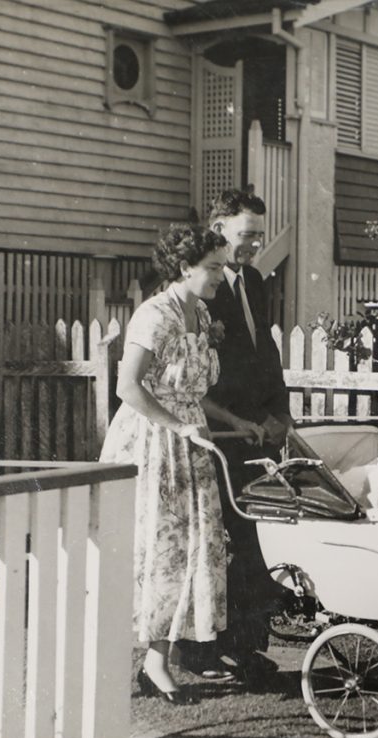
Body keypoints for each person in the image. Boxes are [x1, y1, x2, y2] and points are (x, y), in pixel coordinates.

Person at [100, 223, 264, 704]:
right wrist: (177, 427)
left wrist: (233, 419)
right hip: (153, 444)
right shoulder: (155, 315)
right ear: (184, 267)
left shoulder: (202, 312)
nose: (220, 275)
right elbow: (128, 387)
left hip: (191, 441)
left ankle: (158, 663)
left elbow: (193, 392)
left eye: (221, 265)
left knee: (191, 552)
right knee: (158, 552)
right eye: (212, 267)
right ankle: (142, 662)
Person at [182, 186, 293, 681]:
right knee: (214, 541)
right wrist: (230, 420)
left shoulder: (254, 279)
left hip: (257, 431)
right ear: (219, 229)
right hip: (217, 431)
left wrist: (280, 413)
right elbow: (191, 371)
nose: (253, 246)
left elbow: (265, 355)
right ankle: (199, 650)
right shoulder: (197, 287)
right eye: (246, 235)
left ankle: (246, 647)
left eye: (259, 237)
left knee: (254, 538)